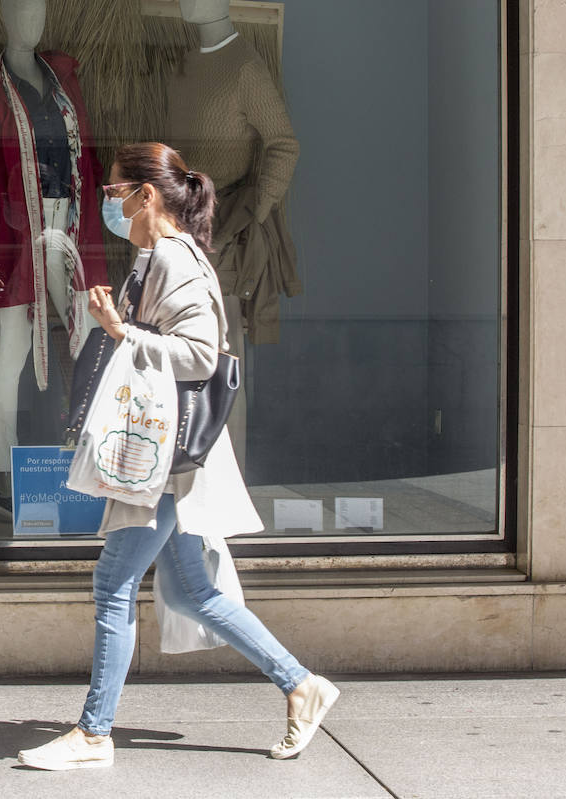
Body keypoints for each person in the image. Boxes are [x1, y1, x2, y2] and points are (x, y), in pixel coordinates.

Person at [17, 142, 338, 772]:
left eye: (115, 193)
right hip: (168, 457)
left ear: (147, 195)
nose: (108, 203)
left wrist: (120, 332)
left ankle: (93, 734)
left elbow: (200, 355)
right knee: (196, 591)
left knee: (113, 583)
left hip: (165, 462)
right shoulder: (155, 256)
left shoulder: (173, 258)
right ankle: (302, 685)